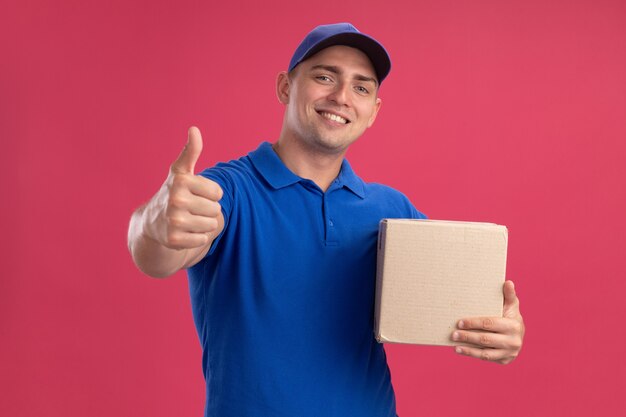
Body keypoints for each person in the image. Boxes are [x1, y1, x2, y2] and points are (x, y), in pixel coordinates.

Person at [128, 23, 525, 417]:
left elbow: (463, 307)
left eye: (361, 87)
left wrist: (504, 329)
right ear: (285, 87)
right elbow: (158, 252)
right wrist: (155, 224)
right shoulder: (226, 191)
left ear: (373, 112)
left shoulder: (394, 212)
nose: (341, 97)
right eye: (324, 77)